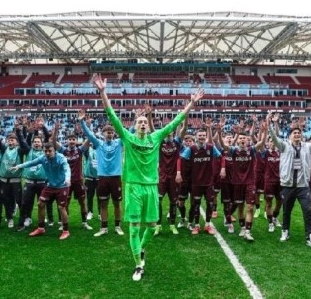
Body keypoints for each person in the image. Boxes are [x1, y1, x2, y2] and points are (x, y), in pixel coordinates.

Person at [92, 74, 204, 282]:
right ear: (135, 125)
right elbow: (111, 115)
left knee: (152, 228)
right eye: (140, 121)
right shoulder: (127, 137)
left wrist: (191, 104)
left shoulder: (156, 137)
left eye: (145, 121)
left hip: (152, 187)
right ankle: (138, 265)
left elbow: (177, 121)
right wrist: (102, 92)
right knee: (134, 228)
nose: (143, 123)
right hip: (134, 187)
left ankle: (141, 250)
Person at [267, 113, 311, 248]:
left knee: (307, 211)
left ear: (302, 135)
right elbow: (274, 138)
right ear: (289, 136)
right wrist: (270, 123)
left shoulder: (307, 146)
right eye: (294, 133)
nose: (297, 135)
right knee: (287, 210)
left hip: (303, 186)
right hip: (288, 185)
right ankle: (285, 231)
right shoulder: (284, 146)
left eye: (299, 133)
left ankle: (310, 236)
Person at [11, 142, 71, 240]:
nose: (47, 153)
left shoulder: (61, 158)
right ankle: (41, 228)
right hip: (50, 186)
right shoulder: (43, 158)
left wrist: (67, 178)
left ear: (54, 151)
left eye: (50, 151)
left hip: (62, 186)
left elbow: (67, 169)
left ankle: (66, 230)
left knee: (61, 207)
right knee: (40, 204)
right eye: (45, 151)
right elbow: (31, 162)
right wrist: (19, 166)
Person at [80, 116, 125, 237]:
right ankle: (104, 228)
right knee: (103, 204)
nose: (109, 134)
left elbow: (129, 132)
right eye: (107, 132)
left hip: (116, 177)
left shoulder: (119, 143)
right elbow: (89, 135)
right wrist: (82, 122)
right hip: (103, 178)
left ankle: (117, 226)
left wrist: (136, 119)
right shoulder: (99, 144)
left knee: (117, 203)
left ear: (114, 133)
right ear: (103, 134)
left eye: (111, 132)